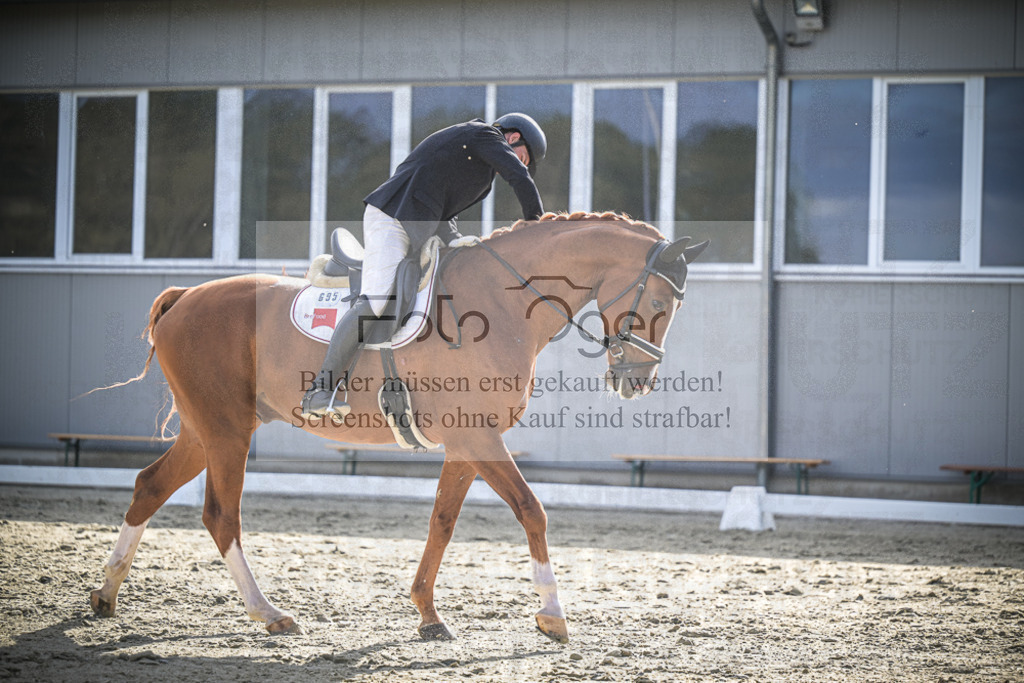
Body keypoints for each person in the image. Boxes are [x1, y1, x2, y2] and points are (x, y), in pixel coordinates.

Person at [300, 112, 548, 419]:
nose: (520, 165)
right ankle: (319, 390)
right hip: (392, 217)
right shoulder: (484, 135)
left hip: (416, 223)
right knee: (377, 302)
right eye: (523, 157)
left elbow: (445, 203)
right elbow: (518, 177)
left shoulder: (477, 164)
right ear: (513, 138)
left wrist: (455, 239)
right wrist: (536, 226)